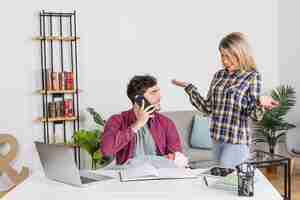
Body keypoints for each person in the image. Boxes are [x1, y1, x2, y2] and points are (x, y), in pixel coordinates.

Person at [172, 32, 278, 169]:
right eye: (222, 56)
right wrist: (189, 88)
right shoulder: (219, 75)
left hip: (236, 140)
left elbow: (254, 115)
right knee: (221, 183)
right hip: (217, 138)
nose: (225, 61)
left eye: (228, 56)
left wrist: (259, 103)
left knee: (227, 177)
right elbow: (207, 107)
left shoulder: (252, 77)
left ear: (240, 54)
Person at [101, 75, 183, 165]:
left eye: (158, 91)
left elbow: (178, 159)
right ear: (139, 99)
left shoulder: (166, 123)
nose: (160, 97)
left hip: (159, 175)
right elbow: (106, 150)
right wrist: (137, 124)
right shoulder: (117, 120)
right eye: (153, 92)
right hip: (128, 175)